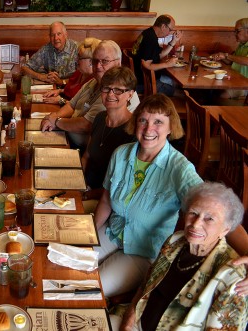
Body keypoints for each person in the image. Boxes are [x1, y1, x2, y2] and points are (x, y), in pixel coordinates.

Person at [93, 94, 248, 298]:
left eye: (158, 122)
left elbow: (220, 210)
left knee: (91, 288)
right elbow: (105, 200)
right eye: (143, 120)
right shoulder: (121, 154)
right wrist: (88, 236)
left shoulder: (179, 169)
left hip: (143, 251)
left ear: (170, 127)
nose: (149, 129)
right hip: (112, 232)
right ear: (135, 123)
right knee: (69, 266)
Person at [114, 182, 248, 331]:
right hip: (135, 323)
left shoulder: (232, 275)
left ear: (225, 229)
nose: (196, 224)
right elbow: (147, 284)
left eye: (209, 219)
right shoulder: (175, 240)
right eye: (193, 213)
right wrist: (129, 318)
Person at [41, 40, 140, 153]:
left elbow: (86, 125)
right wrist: (53, 117)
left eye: (105, 61)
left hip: (80, 148)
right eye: (95, 61)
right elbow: (71, 105)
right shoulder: (93, 82)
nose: (98, 66)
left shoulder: (115, 95)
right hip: (67, 137)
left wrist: (56, 121)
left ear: (118, 63)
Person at [81, 66, 136, 203]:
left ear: (130, 94)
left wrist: (88, 195)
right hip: (84, 188)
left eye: (118, 90)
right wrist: (78, 182)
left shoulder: (133, 131)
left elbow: (123, 185)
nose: (110, 94)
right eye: (106, 88)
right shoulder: (100, 118)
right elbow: (86, 157)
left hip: (105, 199)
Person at [131, 14, 183, 96]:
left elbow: (158, 55)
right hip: (145, 83)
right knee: (178, 91)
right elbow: (146, 65)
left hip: (141, 78)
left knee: (173, 82)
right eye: (170, 30)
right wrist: (167, 64)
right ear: (163, 26)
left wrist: (174, 41)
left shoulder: (148, 33)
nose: (170, 33)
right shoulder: (151, 40)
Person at [42, 37, 101, 105]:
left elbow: (82, 107)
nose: (76, 59)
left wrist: (61, 100)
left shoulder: (94, 80)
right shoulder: (79, 72)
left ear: (91, 61)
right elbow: (72, 90)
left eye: (80, 57)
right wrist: (60, 91)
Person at [22, 21, 79, 85]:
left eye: (59, 34)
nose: (56, 38)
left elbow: (82, 77)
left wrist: (61, 82)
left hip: (71, 88)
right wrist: (41, 77)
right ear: (49, 37)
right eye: (52, 35)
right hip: (51, 89)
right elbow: (24, 68)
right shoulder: (46, 49)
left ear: (65, 35)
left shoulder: (77, 48)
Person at [211, 18, 248, 100]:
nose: (235, 34)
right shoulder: (242, 44)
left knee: (222, 95)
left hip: (244, 85)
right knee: (212, 87)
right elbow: (231, 62)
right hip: (234, 79)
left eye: (237, 31)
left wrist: (226, 55)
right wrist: (221, 56)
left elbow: (246, 61)